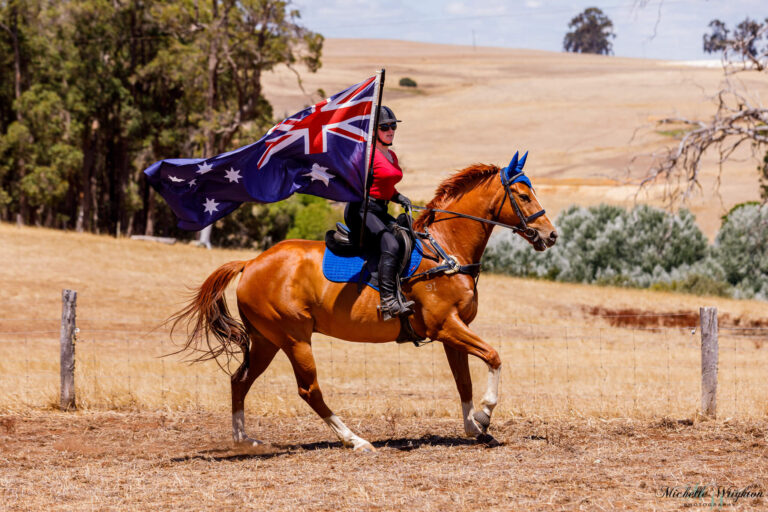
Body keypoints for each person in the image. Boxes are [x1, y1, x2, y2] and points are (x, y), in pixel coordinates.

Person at [344, 105, 414, 318]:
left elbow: (384, 186)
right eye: (385, 126)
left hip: (379, 209)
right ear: (373, 131)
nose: (391, 130)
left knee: (406, 236)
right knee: (390, 243)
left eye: (393, 126)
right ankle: (387, 302)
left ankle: (401, 290)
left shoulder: (390, 154)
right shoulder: (366, 154)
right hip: (361, 210)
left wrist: (398, 196)